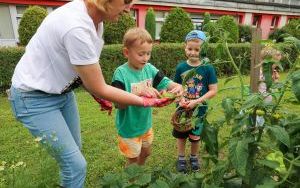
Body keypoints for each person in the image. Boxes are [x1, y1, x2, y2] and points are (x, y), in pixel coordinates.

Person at [7, 0, 168, 187]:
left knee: (73, 155)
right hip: (33, 97)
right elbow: (98, 86)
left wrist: (98, 95)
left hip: (62, 93)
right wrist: (146, 101)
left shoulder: (94, 21)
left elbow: (81, 69)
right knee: (75, 166)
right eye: (125, 2)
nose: (128, 9)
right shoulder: (76, 26)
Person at [111, 27, 183, 166]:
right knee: (132, 159)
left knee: (146, 152)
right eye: (141, 54)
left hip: (145, 124)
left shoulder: (149, 69)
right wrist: (138, 93)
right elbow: (119, 104)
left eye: (148, 53)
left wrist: (177, 87)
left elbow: (165, 82)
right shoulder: (120, 74)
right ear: (126, 52)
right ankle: (132, 180)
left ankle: (140, 170)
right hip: (129, 128)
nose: (145, 58)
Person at [172, 30, 218, 173]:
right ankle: (181, 158)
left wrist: (197, 101)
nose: (193, 52)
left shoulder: (207, 67)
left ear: (203, 50)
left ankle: (193, 157)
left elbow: (213, 90)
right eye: (189, 48)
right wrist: (181, 99)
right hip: (182, 108)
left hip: (199, 110)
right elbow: (176, 87)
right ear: (185, 47)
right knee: (181, 134)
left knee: (195, 136)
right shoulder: (181, 67)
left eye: (197, 49)